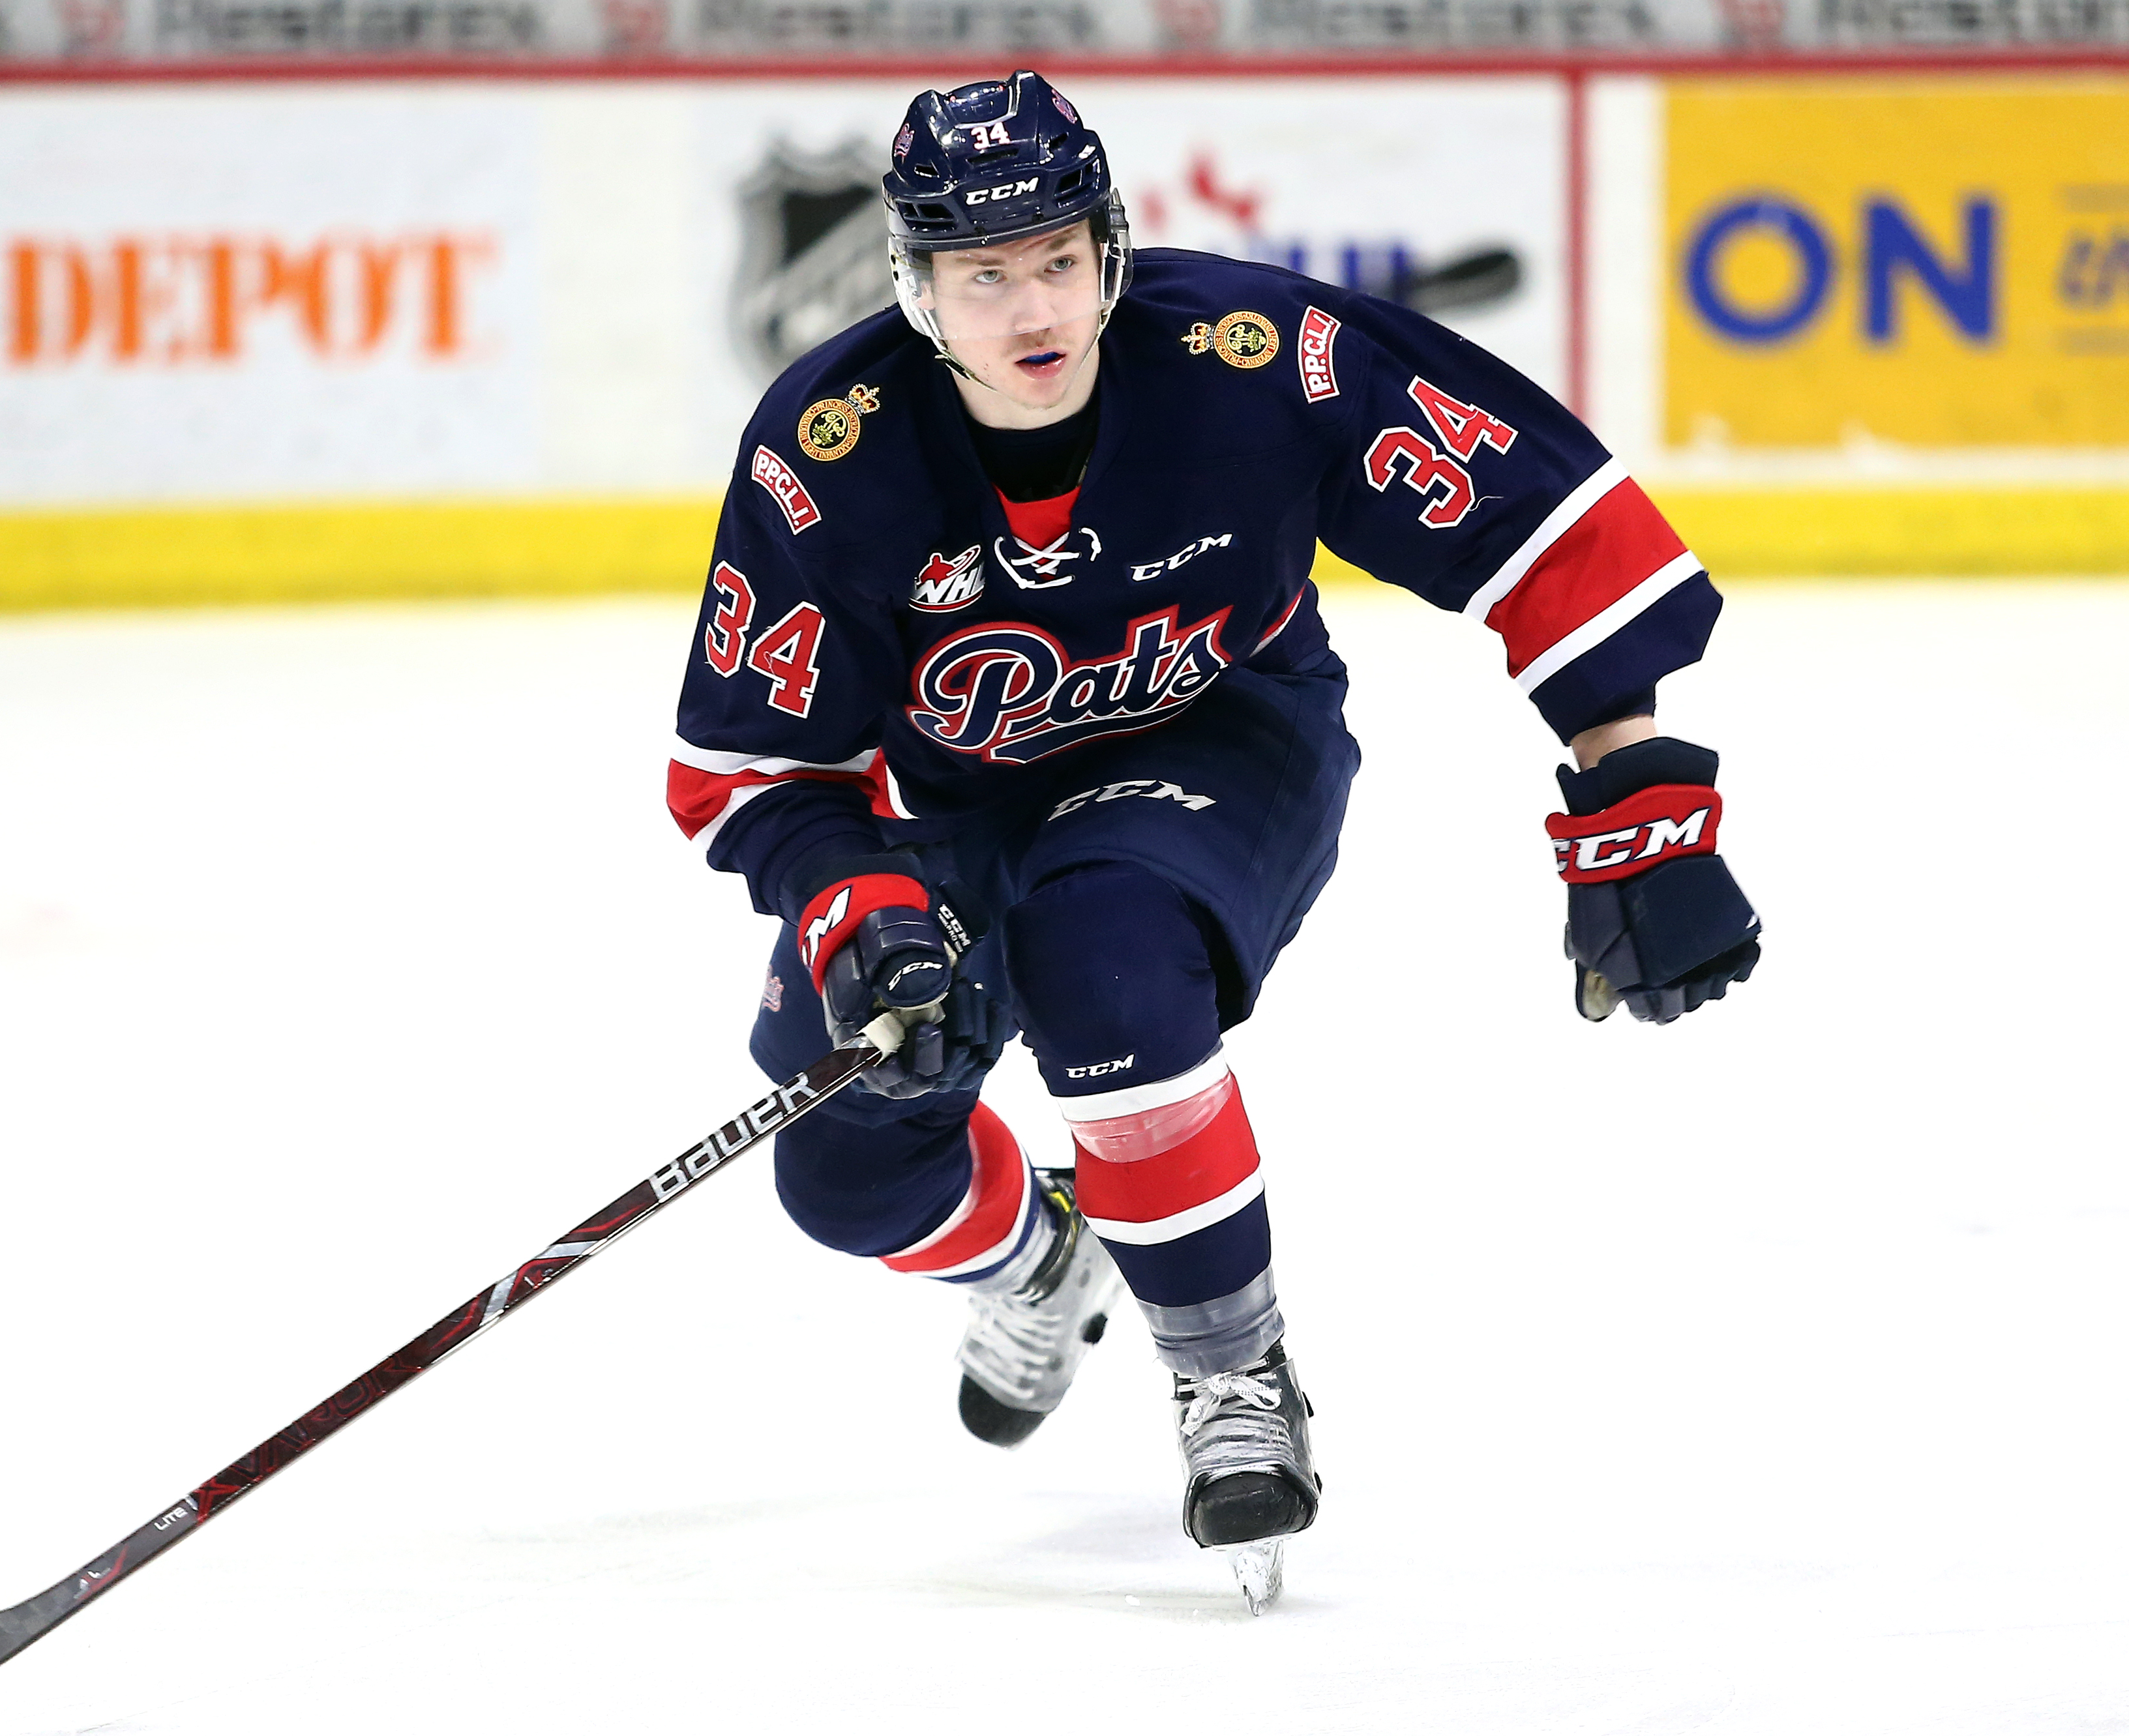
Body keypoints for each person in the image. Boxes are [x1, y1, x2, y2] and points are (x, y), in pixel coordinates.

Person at [664, 71, 1761, 1607]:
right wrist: (857, 901)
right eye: (984, 276)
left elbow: (1534, 519)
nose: (1034, 308)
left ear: (1111, 245)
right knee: (847, 1175)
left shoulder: (1253, 355)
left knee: (1101, 953)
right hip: (953, 808)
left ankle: (1231, 1373)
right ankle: (1039, 1257)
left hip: (1223, 739)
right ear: (914, 288)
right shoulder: (829, 453)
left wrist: (1632, 782)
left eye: (1060, 259)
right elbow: (758, 763)